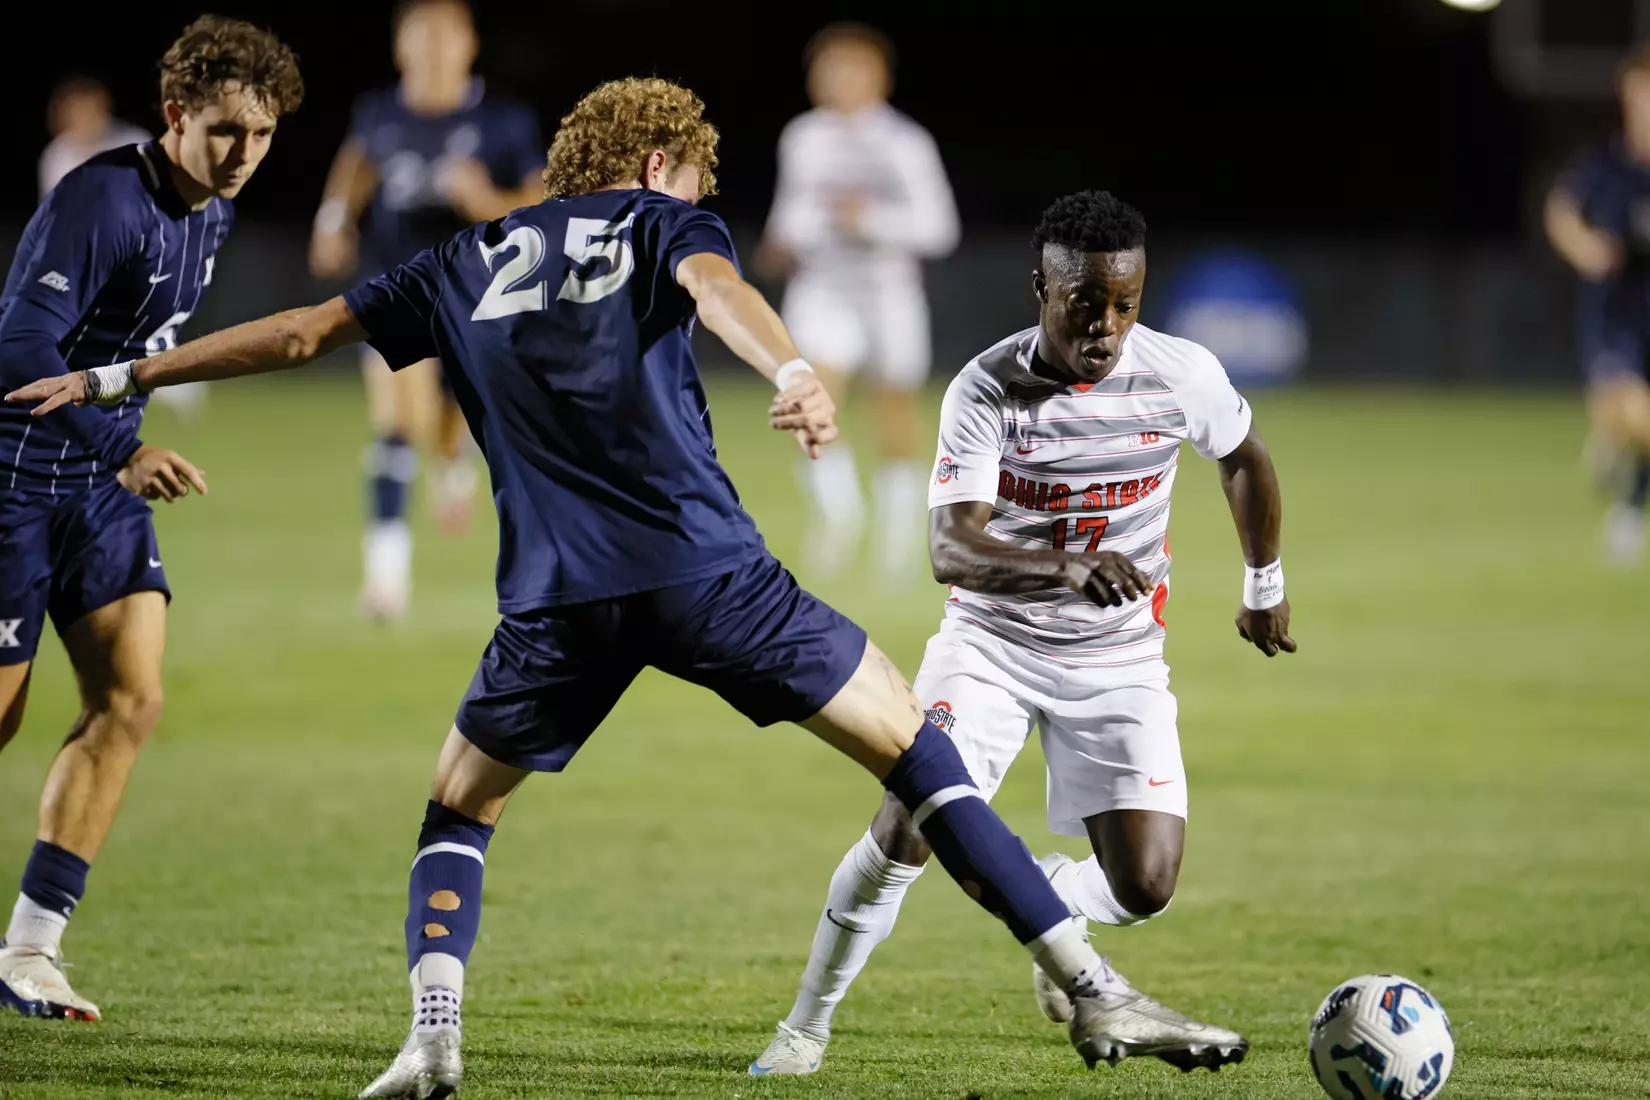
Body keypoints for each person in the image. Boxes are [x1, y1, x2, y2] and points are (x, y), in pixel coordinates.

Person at [8, 79, 1178, 1097]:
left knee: (460, 808)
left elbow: (304, 331)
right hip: (711, 574)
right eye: (695, 176)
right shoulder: (661, 218)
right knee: (921, 758)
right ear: (657, 164)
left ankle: (431, 1039)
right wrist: (793, 365)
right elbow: (718, 285)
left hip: (556, 603)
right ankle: (1092, 984)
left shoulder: (458, 259)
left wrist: (123, 372)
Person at [750, 190, 1294, 1077]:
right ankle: (805, 1026)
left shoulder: (1179, 373)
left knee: (1147, 885)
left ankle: (1054, 900)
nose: (1108, 327)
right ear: (1041, 286)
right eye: (1087, 304)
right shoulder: (987, 386)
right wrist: (1066, 568)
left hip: (1120, 660)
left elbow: (1245, 458)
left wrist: (1264, 582)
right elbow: (950, 546)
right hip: (990, 649)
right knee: (905, 832)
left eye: (1126, 305)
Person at [0, 15, 303, 1021]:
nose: (245, 154)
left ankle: (29, 951)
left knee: (131, 698)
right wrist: (126, 445)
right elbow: (20, 350)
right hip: (14, 482)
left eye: (261, 136)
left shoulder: (210, 212)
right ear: (176, 114)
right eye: (225, 131)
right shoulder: (102, 198)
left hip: (96, 490)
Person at [309, 0, 545, 620]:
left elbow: (540, 200)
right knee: (395, 427)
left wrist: (485, 199)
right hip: (394, 287)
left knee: (450, 422)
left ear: (470, 45)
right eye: (423, 35)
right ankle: (386, 582)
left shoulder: (502, 120)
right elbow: (357, 164)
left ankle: (454, 463)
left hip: (477, 295)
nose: (436, 47)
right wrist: (334, 220)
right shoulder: (380, 110)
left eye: (448, 34)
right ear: (400, 48)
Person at [758, 23, 959, 583]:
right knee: (810, 396)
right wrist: (782, 241)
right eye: (827, 70)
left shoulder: (904, 143)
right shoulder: (803, 137)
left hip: (888, 294)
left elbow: (939, 227)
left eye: (851, 69)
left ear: (880, 77)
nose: (837, 81)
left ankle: (898, 544)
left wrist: (868, 221)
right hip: (823, 290)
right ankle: (840, 517)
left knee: (894, 415)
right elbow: (792, 211)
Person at [1545, 42, 1650, 565]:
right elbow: (1561, 211)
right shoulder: (1605, 166)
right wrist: (1584, 247)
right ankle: (1613, 438)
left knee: (1637, 426)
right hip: (1616, 318)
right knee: (1636, 414)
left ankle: (1629, 506)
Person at [39, 77, 151, 200]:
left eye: (93, 112)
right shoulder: (57, 157)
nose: (87, 122)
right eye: (79, 115)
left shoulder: (137, 142)